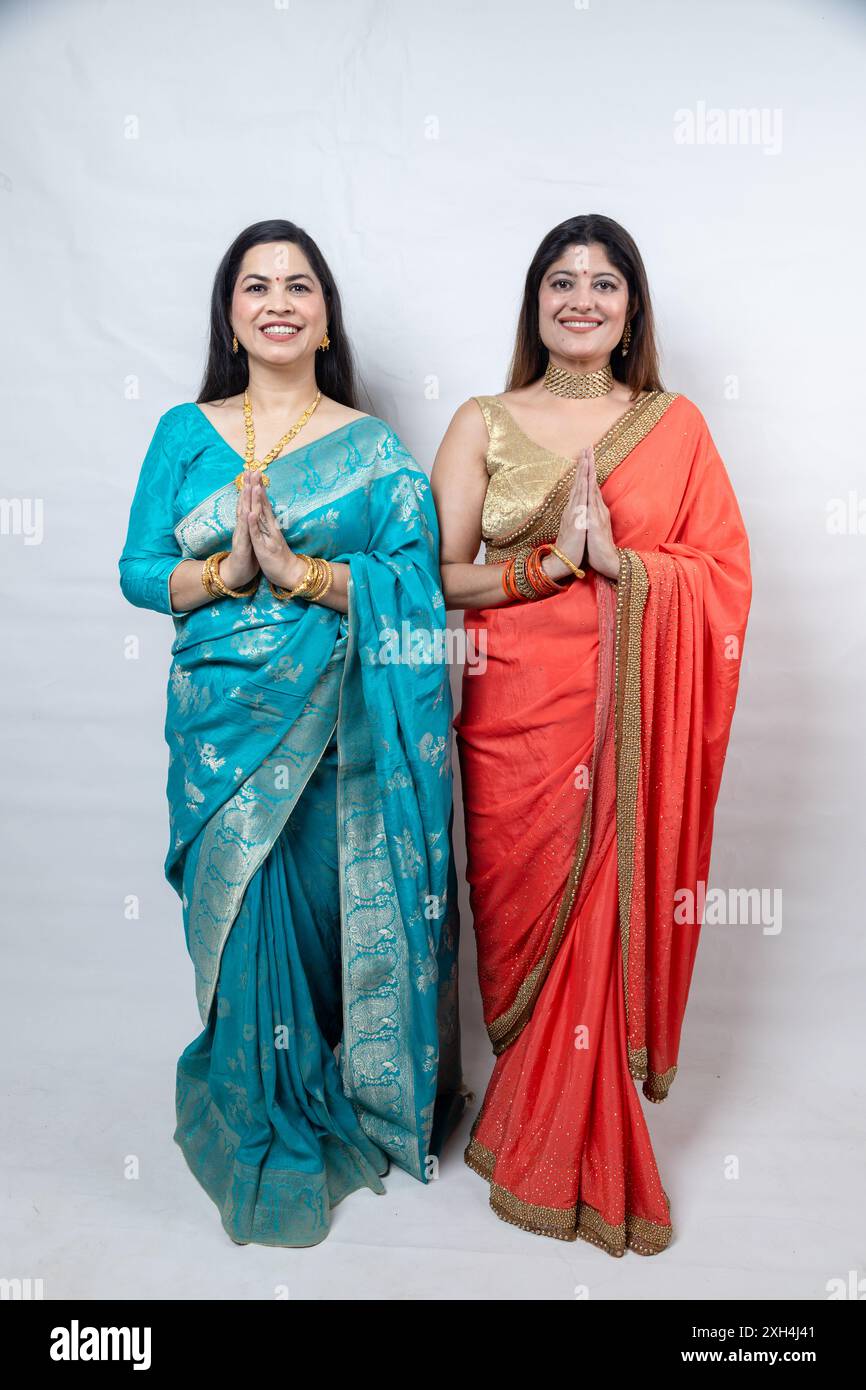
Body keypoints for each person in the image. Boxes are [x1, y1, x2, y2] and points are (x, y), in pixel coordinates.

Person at [118, 219, 466, 1247]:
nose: (277, 300)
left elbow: (415, 582)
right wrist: (224, 574)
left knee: (318, 918)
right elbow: (138, 569)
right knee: (236, 917)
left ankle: (323, 1085)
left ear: (324, 316)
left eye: (298, 285)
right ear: (229, 314)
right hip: (221, 725)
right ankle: (250, 1098)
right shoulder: (184, 431)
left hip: (332, 734)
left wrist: (303, 574)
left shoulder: (370, 448)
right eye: (255, 284)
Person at [430, 214, 752, 1257]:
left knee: (599, 922)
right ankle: (525, 1105)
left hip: (625, 724)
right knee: (521, 909)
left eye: (603, 284)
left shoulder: (675, 426)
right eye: (560, 281)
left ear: (630, 311)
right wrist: (543, 568)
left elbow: (724, 582)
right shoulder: (481, 419)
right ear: (533, 301)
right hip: (511, 717)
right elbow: (433, 577)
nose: (580, 298)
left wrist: (621, 564)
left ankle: (570, 1132)